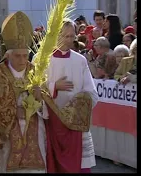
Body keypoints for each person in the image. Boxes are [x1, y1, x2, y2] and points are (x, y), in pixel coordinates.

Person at [0, 11, 47, 173]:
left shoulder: (35, 72)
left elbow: (47, 104)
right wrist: (14, 111)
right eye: (18, 56)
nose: (22, 61)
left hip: (33, 131)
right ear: (8, 56)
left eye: (25, 56)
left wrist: (39, 100)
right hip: (6, 138)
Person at [40, 19, 98, 173]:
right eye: (65, 36)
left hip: (75, 125)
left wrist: (78, 104)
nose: (69, 40)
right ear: (56, 35)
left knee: (80, 166)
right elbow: (33, 89)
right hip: (51, 122)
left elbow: (91, 92)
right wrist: (54, 87)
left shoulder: (80, 60)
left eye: (72, 36)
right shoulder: (42, 60)